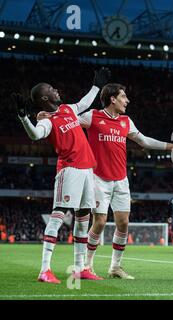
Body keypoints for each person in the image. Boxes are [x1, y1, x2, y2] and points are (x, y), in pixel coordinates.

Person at [38, 83, 173, 279]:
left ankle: (115, 267)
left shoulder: (126, 121)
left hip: (121, 179)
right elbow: (67, 119)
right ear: (112, 99)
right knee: (99, 222)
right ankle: (87, 264)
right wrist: (46, 116)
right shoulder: (93, 116)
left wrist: (171, 147)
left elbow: (143, 141)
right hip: (97, 178)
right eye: (123, 97)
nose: (127, 101)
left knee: (123, 223)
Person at [13, 67, 110, 283]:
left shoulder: (67, 109)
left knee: (83, 217)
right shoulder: (47, 119)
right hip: (70, 170)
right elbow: (35, 135)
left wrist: (97, 85)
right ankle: (44, 270)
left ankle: (79, 268)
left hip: (87, 170)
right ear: (45, 97)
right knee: (58, 214)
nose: (56, 90)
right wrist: (24, 118)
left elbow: (84, 103)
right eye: (51, 89)